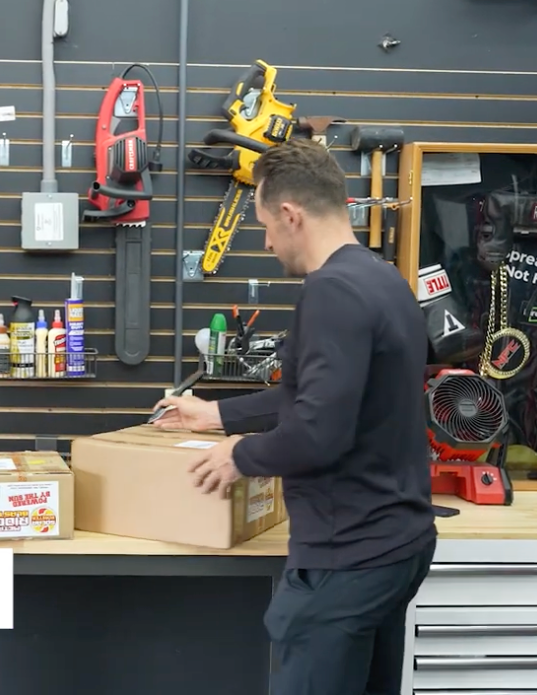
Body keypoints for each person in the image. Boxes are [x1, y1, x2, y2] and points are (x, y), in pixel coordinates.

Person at [152, 138, 437, 695]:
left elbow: (318, 432)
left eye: (264, 226)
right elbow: (321, 397)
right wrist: (216, 413)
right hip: (397, 545)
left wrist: (240, 456)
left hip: (345, 556)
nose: (266, 241)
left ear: (291, 214)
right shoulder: (384, 281)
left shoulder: (329, 291)